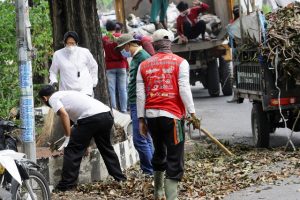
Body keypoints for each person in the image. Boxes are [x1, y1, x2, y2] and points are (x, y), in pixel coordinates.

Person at [136, 29, 200, 200]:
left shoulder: (144, 65)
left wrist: (141, 120)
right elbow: (184, 89)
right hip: (172, 117)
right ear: (170, 43)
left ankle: (158, 192)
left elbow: (140, 94)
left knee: (159, 151)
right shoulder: (181, 62)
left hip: (152, 117)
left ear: (154, 45)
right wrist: (192, 113)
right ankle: (172, 197)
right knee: (174, 156)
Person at [38, 85, 126, 192]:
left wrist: (68, 137)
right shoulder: (66, 94)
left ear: (44, 98)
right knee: (106, 148)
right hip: (106, 115)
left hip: (91, 118)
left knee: (72, 149)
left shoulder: (53, 98)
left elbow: (64, 115)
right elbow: (82, 128)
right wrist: (85, 145)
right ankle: (120, 178)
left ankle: (66, 185)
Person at [115, 34, 154, 175]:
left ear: (128, 45)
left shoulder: (143, 57)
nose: (122, 52)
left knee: (139, 140)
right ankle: (153, 170)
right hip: (136, 102)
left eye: (122, 48)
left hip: (139, 103)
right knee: (146, 138)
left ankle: (150, 171)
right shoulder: (137, 57)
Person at [49, 31, 98, 96]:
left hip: (85, 90)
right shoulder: (58, 54)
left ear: (77, 43)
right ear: (64, 43)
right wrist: (54, 81)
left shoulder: (85, 52)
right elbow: (53, 71)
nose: (70, 46)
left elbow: (93, 66)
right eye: (68, 43)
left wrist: (93, 82)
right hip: (66, 91)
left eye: (72, 43)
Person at [102, 20, 128, 113]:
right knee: (123, 89)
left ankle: (114, 110)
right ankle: (124, 109)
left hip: (109, 66)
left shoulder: (104, 38)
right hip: (121, 65)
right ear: (115, 28)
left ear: (107, 28)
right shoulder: (120, 37)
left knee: (111, 90)